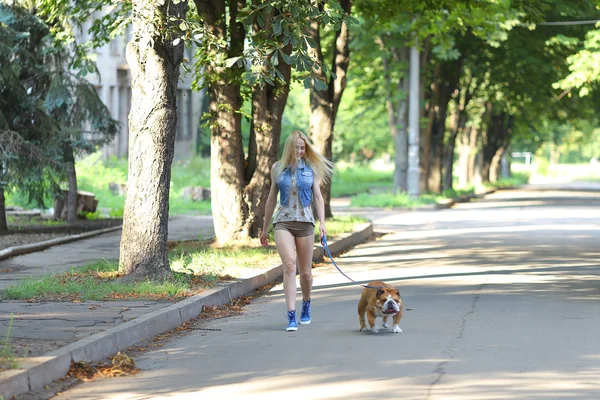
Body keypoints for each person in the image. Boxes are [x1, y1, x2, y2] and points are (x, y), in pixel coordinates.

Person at [260, 130, 334, 331]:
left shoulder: (311, 168)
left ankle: (307, 304)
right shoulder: (277, 168)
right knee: (290, 265)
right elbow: (271, 199)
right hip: (283, 221)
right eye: (297, 147)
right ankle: (291, 315)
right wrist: (265, 228)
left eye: (303, 147)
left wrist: (322, 223)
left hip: (305, 223)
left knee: (306, 273)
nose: (301, 151)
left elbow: (318, 197)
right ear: (289, 148)